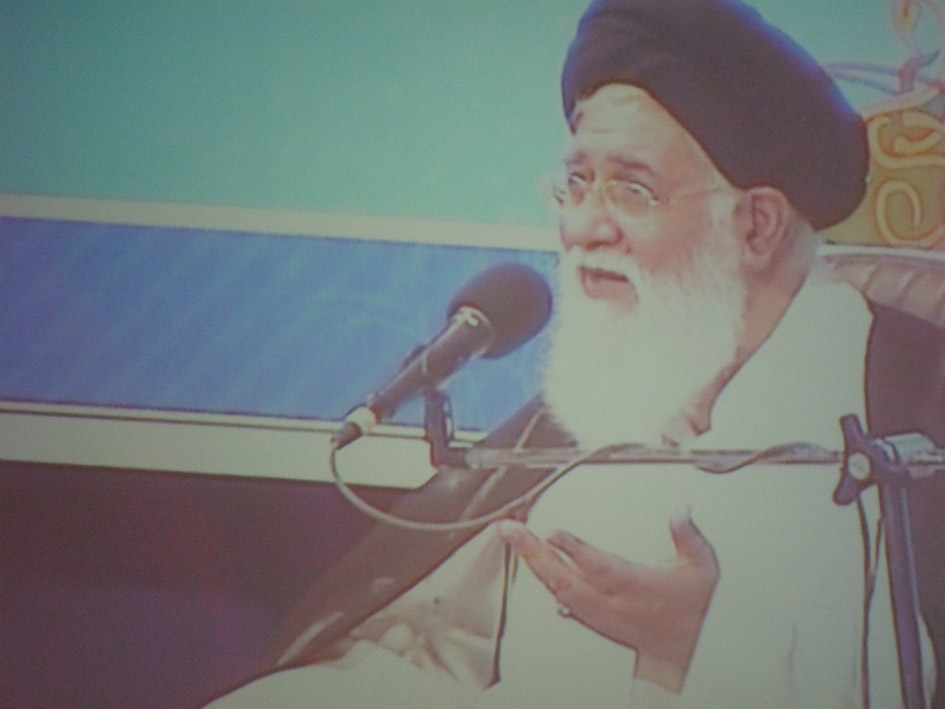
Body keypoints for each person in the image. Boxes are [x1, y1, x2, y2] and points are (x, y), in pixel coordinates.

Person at [209, 0, 941, 706]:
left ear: (754, 226)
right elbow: (435, 652)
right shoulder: (579, 423)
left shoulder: (913, 415)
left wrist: (706, 647)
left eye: (632, 190)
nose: (584, 227)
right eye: (576, 184)